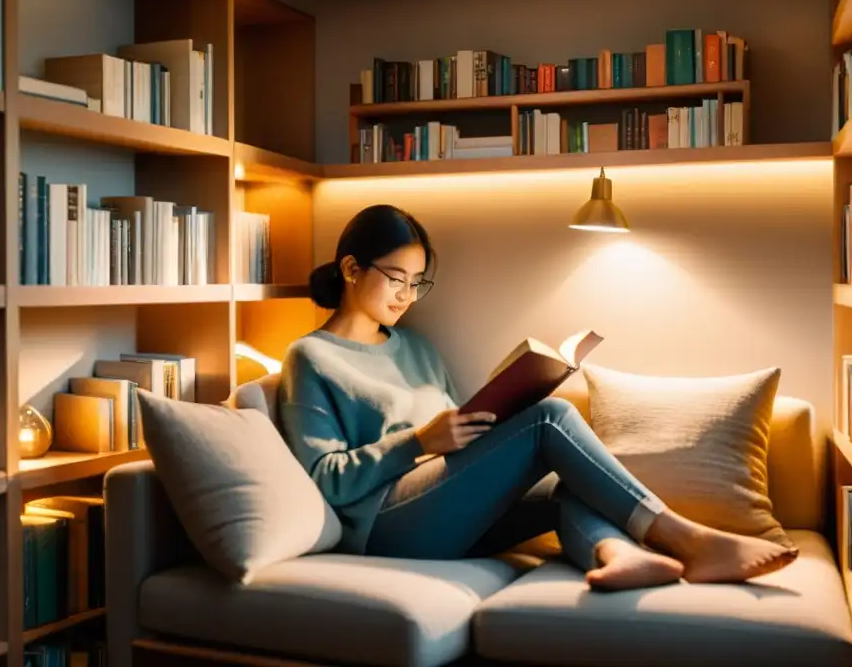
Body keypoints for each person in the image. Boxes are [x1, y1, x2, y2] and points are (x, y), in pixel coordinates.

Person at [278, 204, 798, 590]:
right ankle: (687, 538)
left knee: (568, 485)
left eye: (418, 282)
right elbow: (325, 477)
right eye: (396, 278)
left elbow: (455, 435)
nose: (406, 296)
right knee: (551, 418)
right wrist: (418, 441)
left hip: (441, 505)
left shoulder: (415, 346)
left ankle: (616, 554)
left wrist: (484, 417)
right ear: (351, 269)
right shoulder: (310, 358)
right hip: (383, 527)